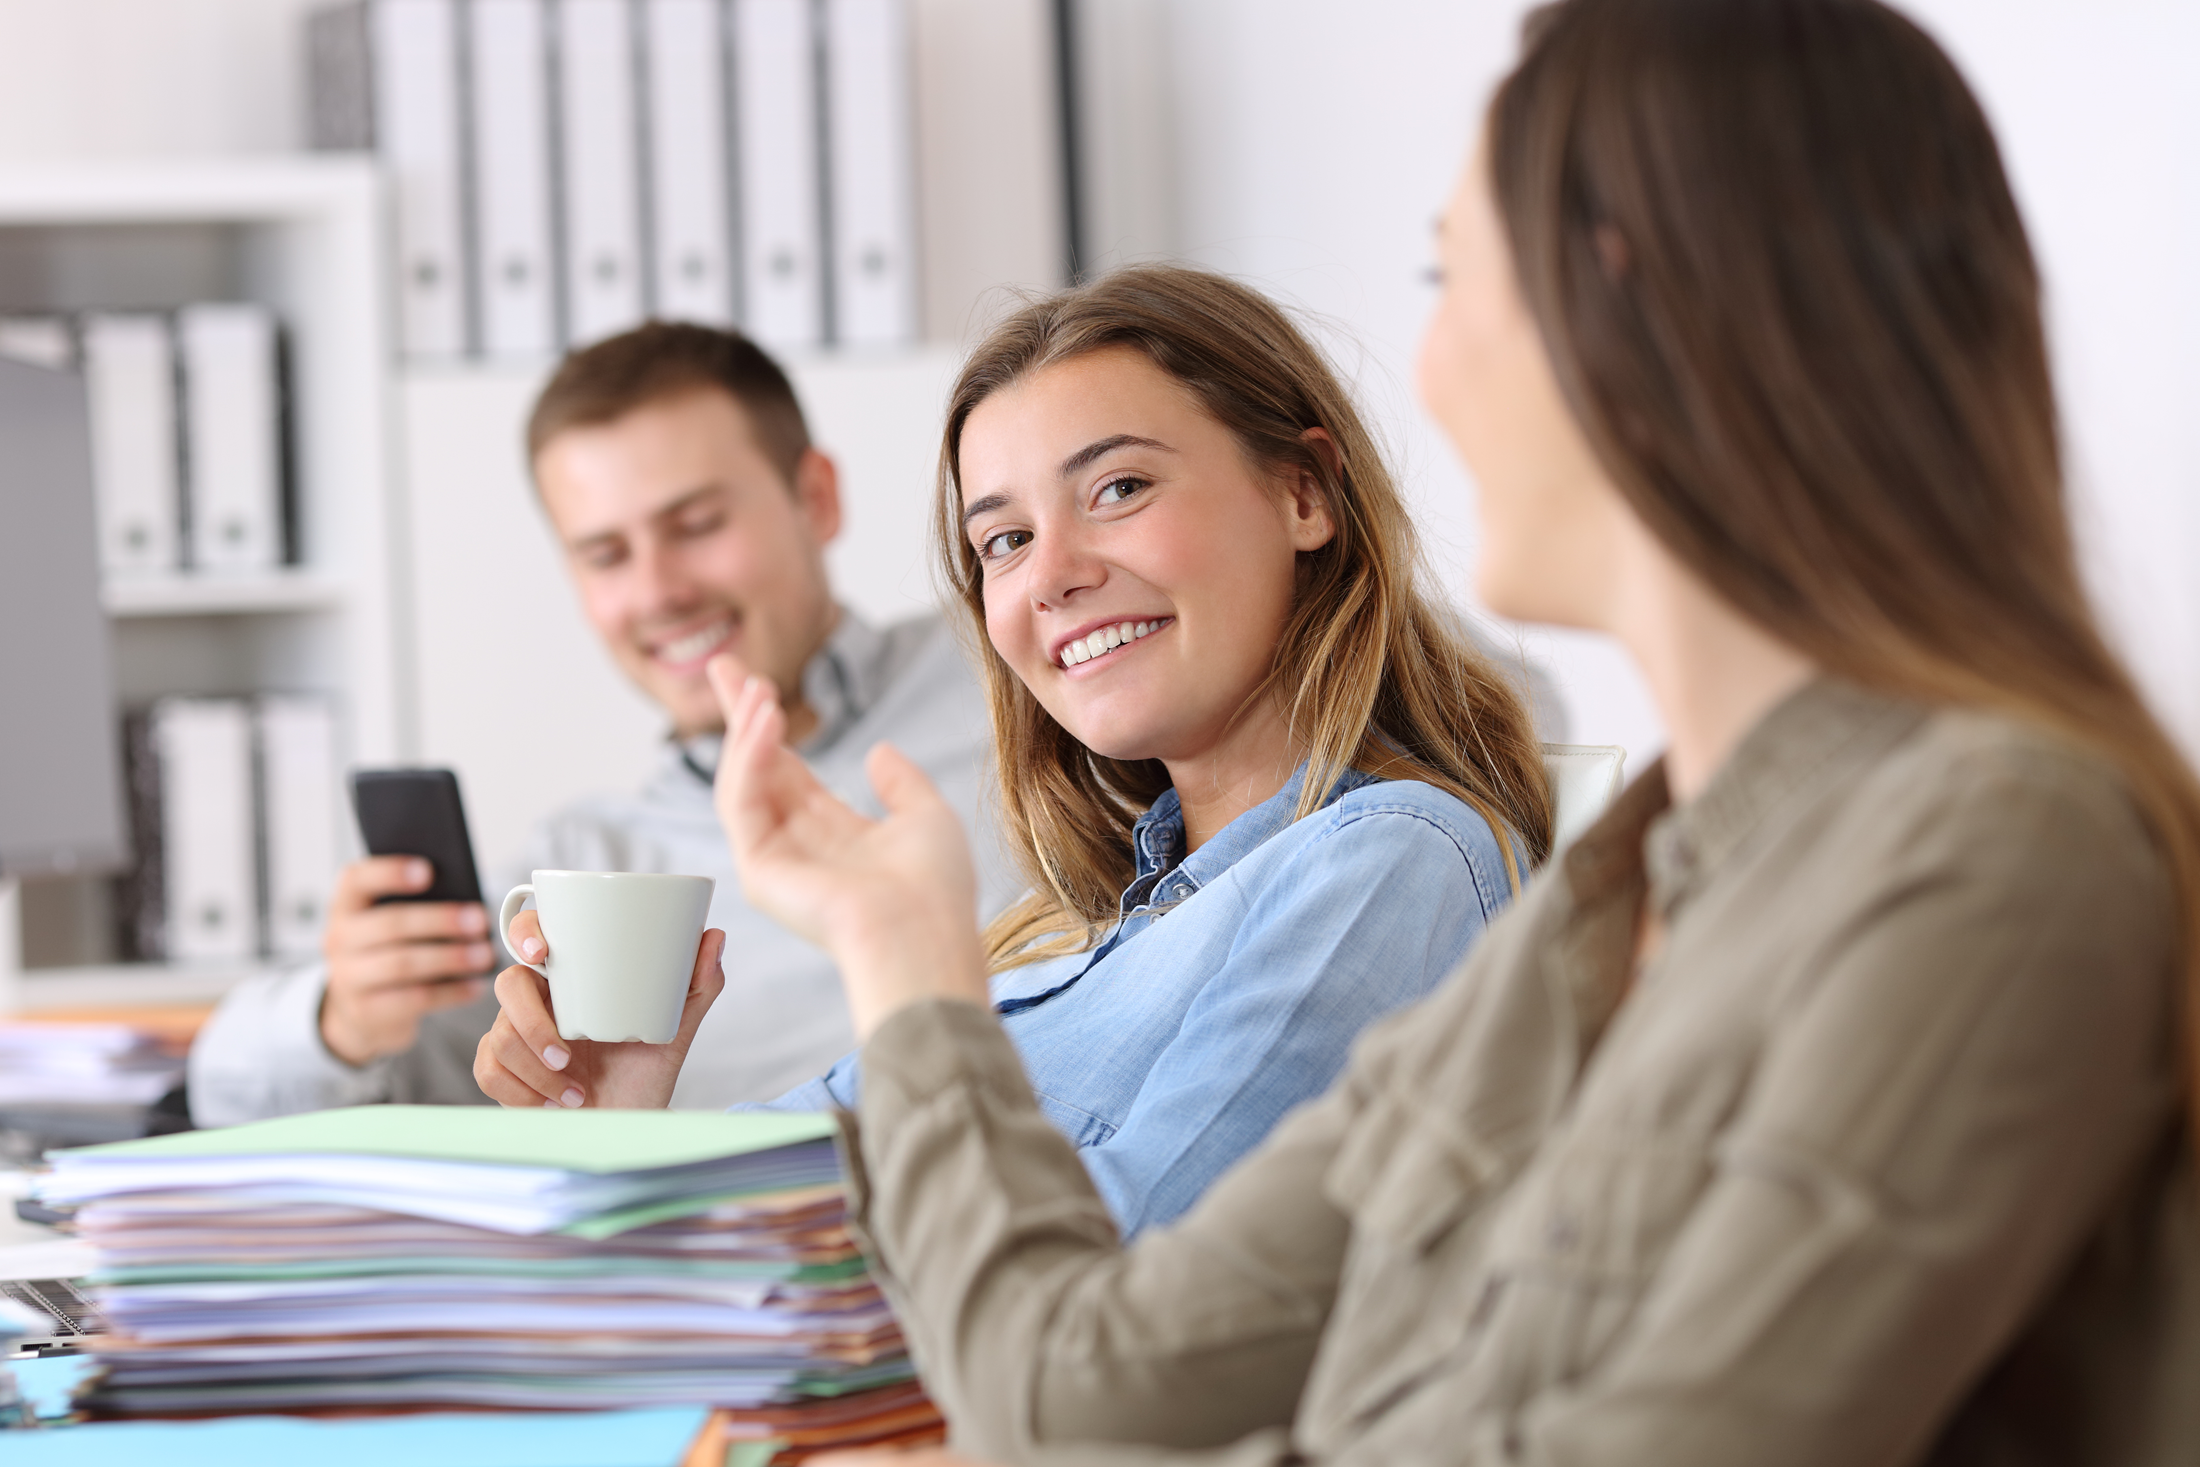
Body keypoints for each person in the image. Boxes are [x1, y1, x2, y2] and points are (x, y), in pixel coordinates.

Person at [707, 1, 2200, 1463]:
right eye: (1002, 538)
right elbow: (1082, 1383)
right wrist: (902, 961)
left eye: (1450, 278)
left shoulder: (1997, 849)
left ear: (1638, 303)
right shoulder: (1608, 906)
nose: (1426, 369)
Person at [474, 267, 1557, 1237]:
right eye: (1004, 539)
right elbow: (776, 1182)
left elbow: (1107, 1306)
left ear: (1304, 493)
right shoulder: (1061, 937)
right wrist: (626, 1119)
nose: (1051, 575)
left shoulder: (1389, 858)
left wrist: (899, 965)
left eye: (1118, 489)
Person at [188, 322, 1018, 1122]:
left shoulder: (1019, 661)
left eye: (696, 525)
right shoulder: (580, 879)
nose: (658, 592)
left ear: (817, 497)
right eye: (607, 555)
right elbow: (224, 1089)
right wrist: (345, 1016)